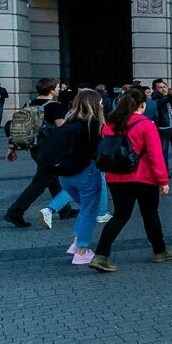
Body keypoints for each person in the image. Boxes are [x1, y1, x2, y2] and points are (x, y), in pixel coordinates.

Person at [90, 86, 172, 272]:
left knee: (120, 215)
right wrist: (163, 180)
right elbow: (155, 155)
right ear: (142, 105)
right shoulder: (146, 124)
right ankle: (160, 251)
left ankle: (101, 254)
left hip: (116, 177)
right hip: (143, 177)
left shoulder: (109, 125)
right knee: (150, 213)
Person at [47, 88, 108, 265]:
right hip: (86, 173)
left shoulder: (68, 122)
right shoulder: (95, 124)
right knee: (90, 211)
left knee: (84, 209)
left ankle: (75, 244)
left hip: (64, 175)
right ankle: (82, 251)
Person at [3, 79, 69, 228]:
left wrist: (11, 148)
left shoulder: (28, 104)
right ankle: (15, 212)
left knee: (52, 177)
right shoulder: (54, 106)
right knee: (40, 182)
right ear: (52, 90)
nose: (59, 89)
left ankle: (65, 210)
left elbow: (19, 127)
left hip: (34, 148)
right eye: (57, 87)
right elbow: (62, 129)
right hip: (50, 149)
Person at [145, 79, 172, 176]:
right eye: (160, 87)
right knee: (164, 150)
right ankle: (165, 170)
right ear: (155, 89)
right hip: (163, 128)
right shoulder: (154, 99)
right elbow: (160, 104)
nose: (163, 89)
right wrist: (169, 96)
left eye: (164, 87)